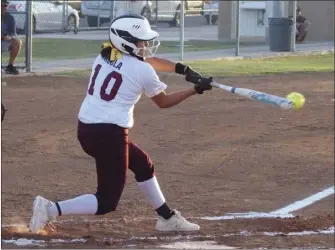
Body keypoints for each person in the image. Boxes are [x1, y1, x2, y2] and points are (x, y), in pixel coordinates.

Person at [29, 14, 213, 234]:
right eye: (140, 41)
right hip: (109, 134)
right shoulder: (141, 69)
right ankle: (50, 209)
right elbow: (163, 101)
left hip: (88, 128)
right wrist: (195, 89)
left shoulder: (107, 54)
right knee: (107, 201)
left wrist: (183, 70)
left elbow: (145, 61)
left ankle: (166, 217)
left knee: (143, 164)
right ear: (126, 42)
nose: (145, 45)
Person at [1, 0, 21, 75]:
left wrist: (9, 37)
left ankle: (10, 66)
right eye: (1, 6)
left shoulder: (10, 18)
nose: (3, 8)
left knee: (17, 41)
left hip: (3, 42)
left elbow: (13, 33)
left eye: (5, 6)